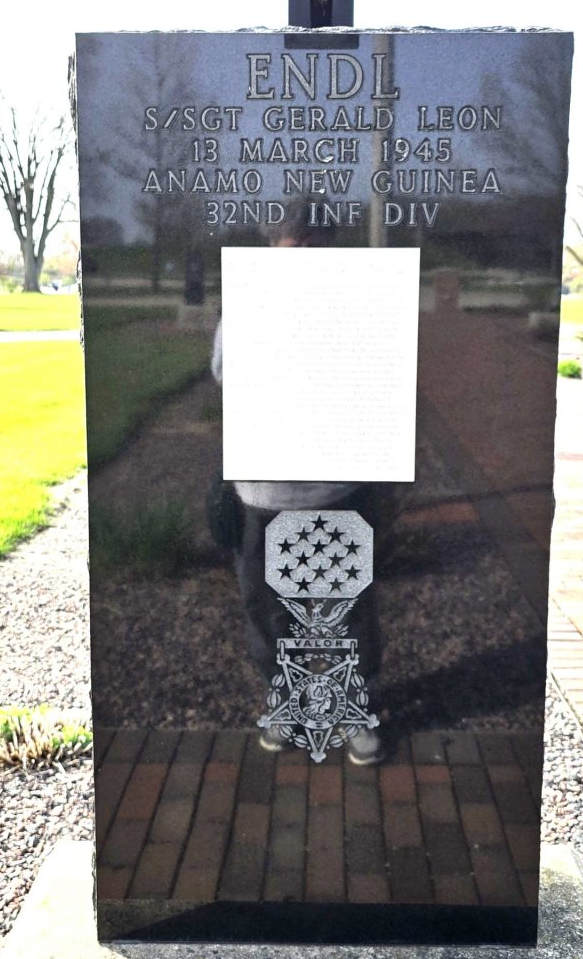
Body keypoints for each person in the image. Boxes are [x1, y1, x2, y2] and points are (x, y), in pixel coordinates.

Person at [210, 203, 385, 766]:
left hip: (332, 489)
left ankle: (351, 708)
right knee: (266, 612)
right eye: (296, 242)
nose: (308, 252)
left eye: (317, 242)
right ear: (275, 246)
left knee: (344, 611)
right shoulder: (249, 302)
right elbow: (222, 372)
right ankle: (284, 698)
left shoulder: (354, 302)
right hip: (261, 490)